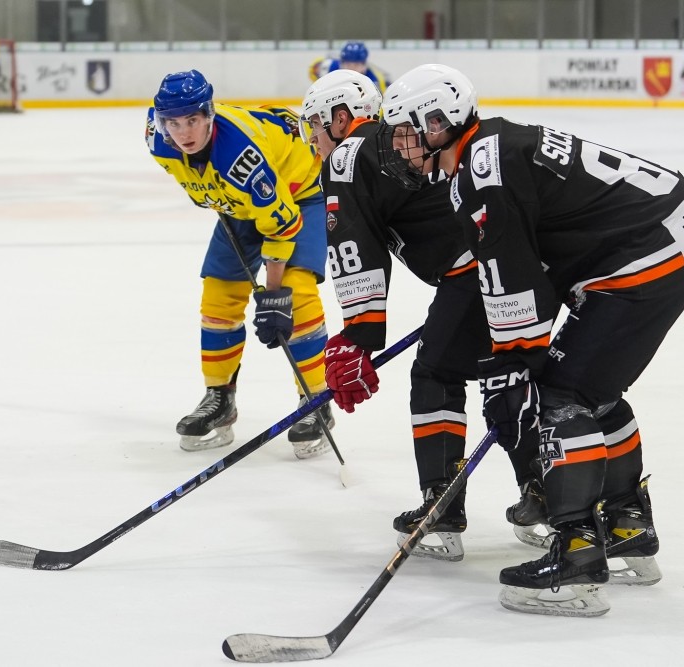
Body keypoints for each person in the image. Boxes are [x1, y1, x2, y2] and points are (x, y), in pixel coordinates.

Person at [377, 64, 684, 616]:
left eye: (405, 132)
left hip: (646, 253)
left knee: (561, 394)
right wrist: (513, 363)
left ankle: (578, 553)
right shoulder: (488, 151)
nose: (399, 146)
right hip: (664, 237)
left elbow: (513, 276)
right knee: (590, 386)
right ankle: (627, 526)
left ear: (438, 123)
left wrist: (514, 371)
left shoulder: (480, 174)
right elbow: (526, 268)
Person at [301, 69, 540, 561]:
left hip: (472, 272)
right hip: (505, 266)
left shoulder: (347, 156)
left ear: (340, 118)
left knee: (436, 374)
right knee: (508, 376)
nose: (313, 140)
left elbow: (355, 251)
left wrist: (358, 336)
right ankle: (548, 496)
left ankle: (443, 508)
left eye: (315, 126)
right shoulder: (397, 142)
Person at [145, 69, 335, 459]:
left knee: (297, 293)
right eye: (173, 123)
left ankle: (316, 399)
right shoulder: (157, 141)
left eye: (192, 120)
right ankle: (220, 398)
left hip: (299, 194)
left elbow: (281, 223)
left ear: (209, 114)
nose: (184, 133)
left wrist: (273, 294)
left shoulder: (242, 160)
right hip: (241, 204)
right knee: (218, 295)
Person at [308, 41, 391, 95]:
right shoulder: (329, 67)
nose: (351, 69)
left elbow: (379, 105)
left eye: (356, 65)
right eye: (348, 64)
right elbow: (313, 72)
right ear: (341, 63)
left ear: (364, 65)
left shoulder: (375, 80)